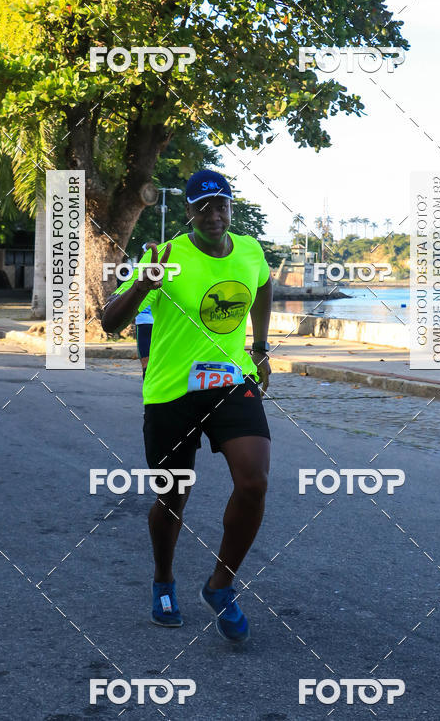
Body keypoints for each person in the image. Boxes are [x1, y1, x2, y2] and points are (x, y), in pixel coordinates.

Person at [102, 170, 272, 642]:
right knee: (173, 496)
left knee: (254, 481)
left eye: (222, 206)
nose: (214, 216)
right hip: (171, 391)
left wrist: (259, 347)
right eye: (203, 208)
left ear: (230, 208)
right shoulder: (164, 255)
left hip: (231, 382)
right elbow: (110, 321)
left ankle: (220, 585)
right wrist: (143, 285)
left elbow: (262, 287)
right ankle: (163, 580)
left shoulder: (250, 251)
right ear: (188, 213)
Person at [134, 243, 154, 379]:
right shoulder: (169, 271)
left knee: (146, 360)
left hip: (143, 321)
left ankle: (148, 379)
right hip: (159, 322)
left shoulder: (136, 272)